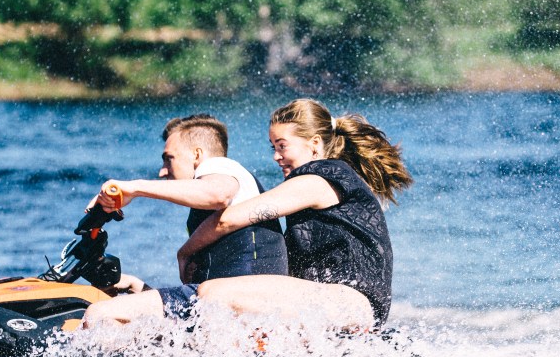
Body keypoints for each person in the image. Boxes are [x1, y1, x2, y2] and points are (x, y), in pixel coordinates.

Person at [177, 99, 413, 330]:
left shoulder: (319, 180)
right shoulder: (328, 180)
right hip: (335, 302)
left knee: (214, 292)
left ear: (314, 143)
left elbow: (228, 219)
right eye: (273, 147)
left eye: (282, 146)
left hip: (350, 302)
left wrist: (185, 252)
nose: (276, 156)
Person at [83, 113, 287, 325]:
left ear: (197, 155)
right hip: (230, 306)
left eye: (168, 159)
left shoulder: (221, 166)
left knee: (98, 314)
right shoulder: (207, 208)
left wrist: (133, 188)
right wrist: (139, 287)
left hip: (241, 301)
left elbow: (218, 194)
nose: (162, 171)